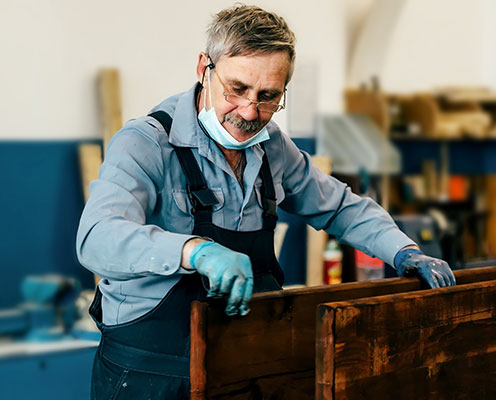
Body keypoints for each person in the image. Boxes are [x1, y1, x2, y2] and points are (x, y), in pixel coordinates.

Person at [76, 4, 455, 399]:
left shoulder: (272, 147)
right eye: (237, 89)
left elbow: (339, 206)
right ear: (204, 66)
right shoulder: (146, 143)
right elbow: (96, 238)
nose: (249, 112)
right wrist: (195, 250)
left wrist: (404, 251)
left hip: (243, 366)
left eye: (269, 97)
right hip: (150, 373)